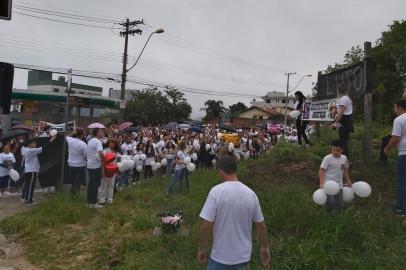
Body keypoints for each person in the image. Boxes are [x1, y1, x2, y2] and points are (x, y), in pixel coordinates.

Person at [197, 155, 270, 269]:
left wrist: (201, 249)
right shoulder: (251, 194)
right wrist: (265, 247)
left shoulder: (216, 192)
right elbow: (261, 225)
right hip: (243, 257)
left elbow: (206, 226)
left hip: (221, 257)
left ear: (220, 171)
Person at [384, 100, 406, 216]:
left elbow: (396, 138)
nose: (394, 110)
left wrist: (387, 148)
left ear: (399, 107)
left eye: (394, 108)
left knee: (402, 181)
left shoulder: (399, 120)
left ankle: (400, 208)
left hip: (404, 154)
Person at [319, 140, 352, 213]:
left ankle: (338, 218)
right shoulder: (327, 158)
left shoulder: (344, 158)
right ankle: (328, 215)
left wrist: (348, 180)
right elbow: (321, 170)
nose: (335, 152)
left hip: (339, 184)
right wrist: (322, 183)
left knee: (339, 204)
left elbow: (345, 170)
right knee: (330, 202)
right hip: (328, 183)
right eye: (333, 150)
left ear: (342, 150)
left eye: (338, 150)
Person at [22, 135, 56, 205]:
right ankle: (29, 201)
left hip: (28, 170)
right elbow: (44, 148)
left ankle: (27, 199)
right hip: (32, 171)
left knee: (28, 185)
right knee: (31, 186)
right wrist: (51, 140)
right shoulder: (31, 150)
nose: (35, 144)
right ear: (30, 144)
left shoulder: (26, 149)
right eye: (34, 143)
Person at [330, 83, 353, 157]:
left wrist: (335, 123)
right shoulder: (343, 98)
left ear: (339, 90)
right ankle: (344, 158)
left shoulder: (344, 98)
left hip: (345, 121)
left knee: (343, 142)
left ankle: (344, 159)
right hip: (344, 120)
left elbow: (341, 113)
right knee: (343, 140)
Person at [86, 128, 105, 209]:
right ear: (97, 133)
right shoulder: (98, 141)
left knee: (91, 184)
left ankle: (89, 202)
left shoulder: (90, 140)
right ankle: (93, 203)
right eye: (101, 131)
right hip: (96, 165)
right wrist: (104, 159)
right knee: (96, 184)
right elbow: (100, 153)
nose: (103, 133)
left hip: (90, 164)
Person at [66, 130, 87, 196]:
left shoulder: (70, 140)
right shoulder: (83, 144)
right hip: (80, 165)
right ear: (81, 135)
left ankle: (73, 195)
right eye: (83, 134)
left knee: (73, 181)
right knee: (77, 182)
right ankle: (75, 196)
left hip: (70, 164)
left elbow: (66, 136)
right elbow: (86, 156)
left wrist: (73, 133)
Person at [99, 138, 120, 204]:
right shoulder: (105, 150)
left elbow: (116, 162)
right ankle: (102, 199)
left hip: (113, 169)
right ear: (108, 143)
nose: (112, 144)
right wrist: (102, 170)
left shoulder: (115, 151)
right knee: (104, 185)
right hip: (106, 169)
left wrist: (116, 171)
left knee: (111, 185)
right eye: (111, 142)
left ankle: (109, 199)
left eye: (113, 143)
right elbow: (102, 160)